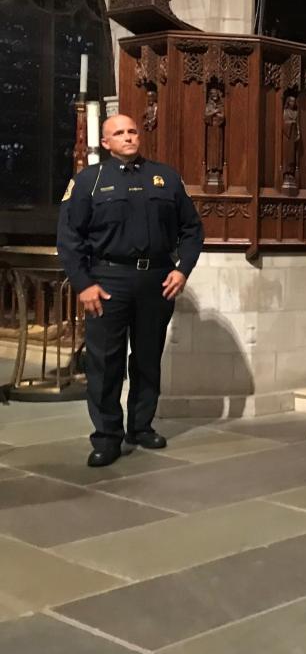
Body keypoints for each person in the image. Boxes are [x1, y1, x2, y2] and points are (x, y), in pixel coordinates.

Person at [56, 114, 203, 468]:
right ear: (105, 143)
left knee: (148, 357)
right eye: (118, 133)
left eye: (132, 131)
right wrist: (84, 284)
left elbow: (192, 229)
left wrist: (182, 270)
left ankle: (141, 425)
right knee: (105, 362)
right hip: (108, 281)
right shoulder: (88, 181)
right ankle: (107, 436)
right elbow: (69, 238)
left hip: (156, 280)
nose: (128, 137)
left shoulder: (166, 176)